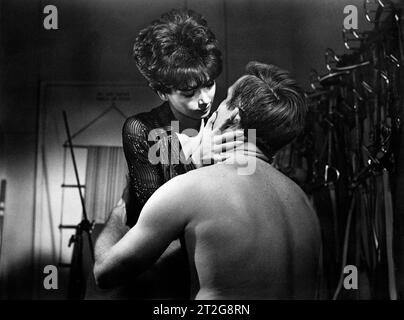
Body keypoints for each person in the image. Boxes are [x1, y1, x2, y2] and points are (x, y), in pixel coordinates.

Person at [93, 62, 322, 299]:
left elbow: (104, 274)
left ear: (233, 116)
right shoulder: (302, 203)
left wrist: (120, 212)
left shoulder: (189, 189)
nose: (211, 106)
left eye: (225, 99)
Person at [86, 8, 242, 299]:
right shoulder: (142, 129)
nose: (204, 99)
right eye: (188, 92)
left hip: (211, 276)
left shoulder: (228, 124)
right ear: (161, 92)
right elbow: (157, 225)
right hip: (148, 277)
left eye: (209, 84)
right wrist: (196, 161)